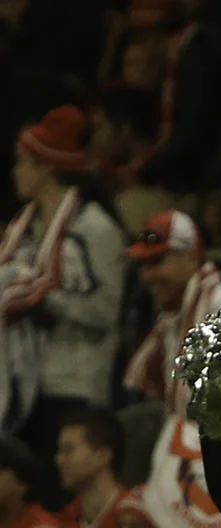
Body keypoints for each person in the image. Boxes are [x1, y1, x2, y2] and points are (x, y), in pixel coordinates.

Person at [2, 107, 126, 450]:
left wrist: (44, 298)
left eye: (22, 162)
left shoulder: (95, 228)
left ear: (47, 168)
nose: (15, 172)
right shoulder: (23, 230)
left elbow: (105, 311)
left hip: (76, 384)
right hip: (24, 383)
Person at [120, 210, 221, 422]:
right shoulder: (172, 317)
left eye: (156, 262)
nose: (146, 276)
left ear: (191, 257)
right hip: (196, 446)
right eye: (143, 265)